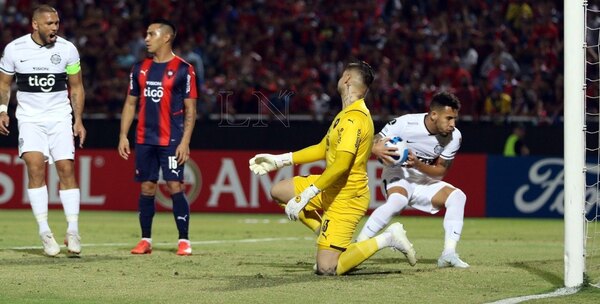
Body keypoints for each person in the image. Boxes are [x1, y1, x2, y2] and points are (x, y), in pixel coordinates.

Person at [249, 60, 416, 275]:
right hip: (332, 188)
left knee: (327, 268)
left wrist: (306, 195)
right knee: (279, 191)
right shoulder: (345, 114)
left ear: (346, 78)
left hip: (347, 197)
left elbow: (341, 166)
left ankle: (387, 238)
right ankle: (324, 234)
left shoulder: (354, 119)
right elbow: (322, 148)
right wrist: (279, 160)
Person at [0, 5, 86, 257]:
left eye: (57, 23)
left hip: (60, 117)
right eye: (49, 24)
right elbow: (4, 83)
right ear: (35, 25)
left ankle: (73, 230)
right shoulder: (15, 49)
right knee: (35, 167)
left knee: (66, 168)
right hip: (30, 118)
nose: (55, 28)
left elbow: (77, 87)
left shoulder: (67, 49)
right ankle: (44, 232)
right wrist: (2, 110)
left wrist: (78, 120)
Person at [355, 92, 470, 268]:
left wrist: (417, 164)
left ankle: (448, 254)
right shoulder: (406, 123)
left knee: (457, 196)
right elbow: (375, 139)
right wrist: (375, 148)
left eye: (454, 119)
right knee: (398, 201)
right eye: (448, 118)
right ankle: (358, 246)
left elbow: (439, 172)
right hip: (397, 172)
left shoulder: (454, 137)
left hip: (420, 176)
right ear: (433, 115)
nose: (452, 124)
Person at [118, 19, 197, 256]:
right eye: (146, 34)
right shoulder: (139, 68)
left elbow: (191, 110)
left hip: (171, 139)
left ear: (166, 37)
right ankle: (145, 240)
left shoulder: (184, 69)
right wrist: (123, 135)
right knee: (147, 187)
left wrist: (185, 141)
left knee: (174, 185)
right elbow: (131, 104)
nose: (146, 38)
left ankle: (183, 240)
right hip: (144, 138)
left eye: (151, 34)